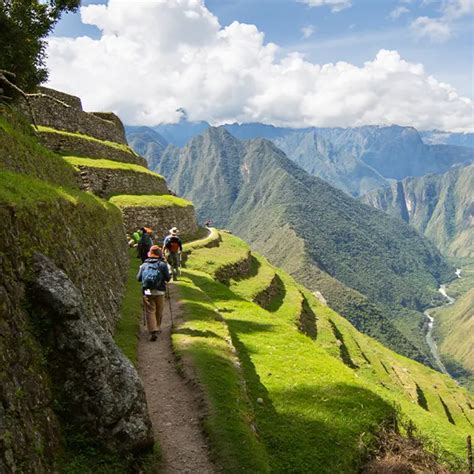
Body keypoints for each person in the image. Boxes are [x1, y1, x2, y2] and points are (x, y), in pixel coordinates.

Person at [137, 245, 171, 341]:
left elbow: (138, 278)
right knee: (159, 310)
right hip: (160, 291)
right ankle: (158, 327)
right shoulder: (162, 265)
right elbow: (168, 279)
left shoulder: (144, 265)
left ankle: (152, 330)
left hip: (147, 291)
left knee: (150, 310)